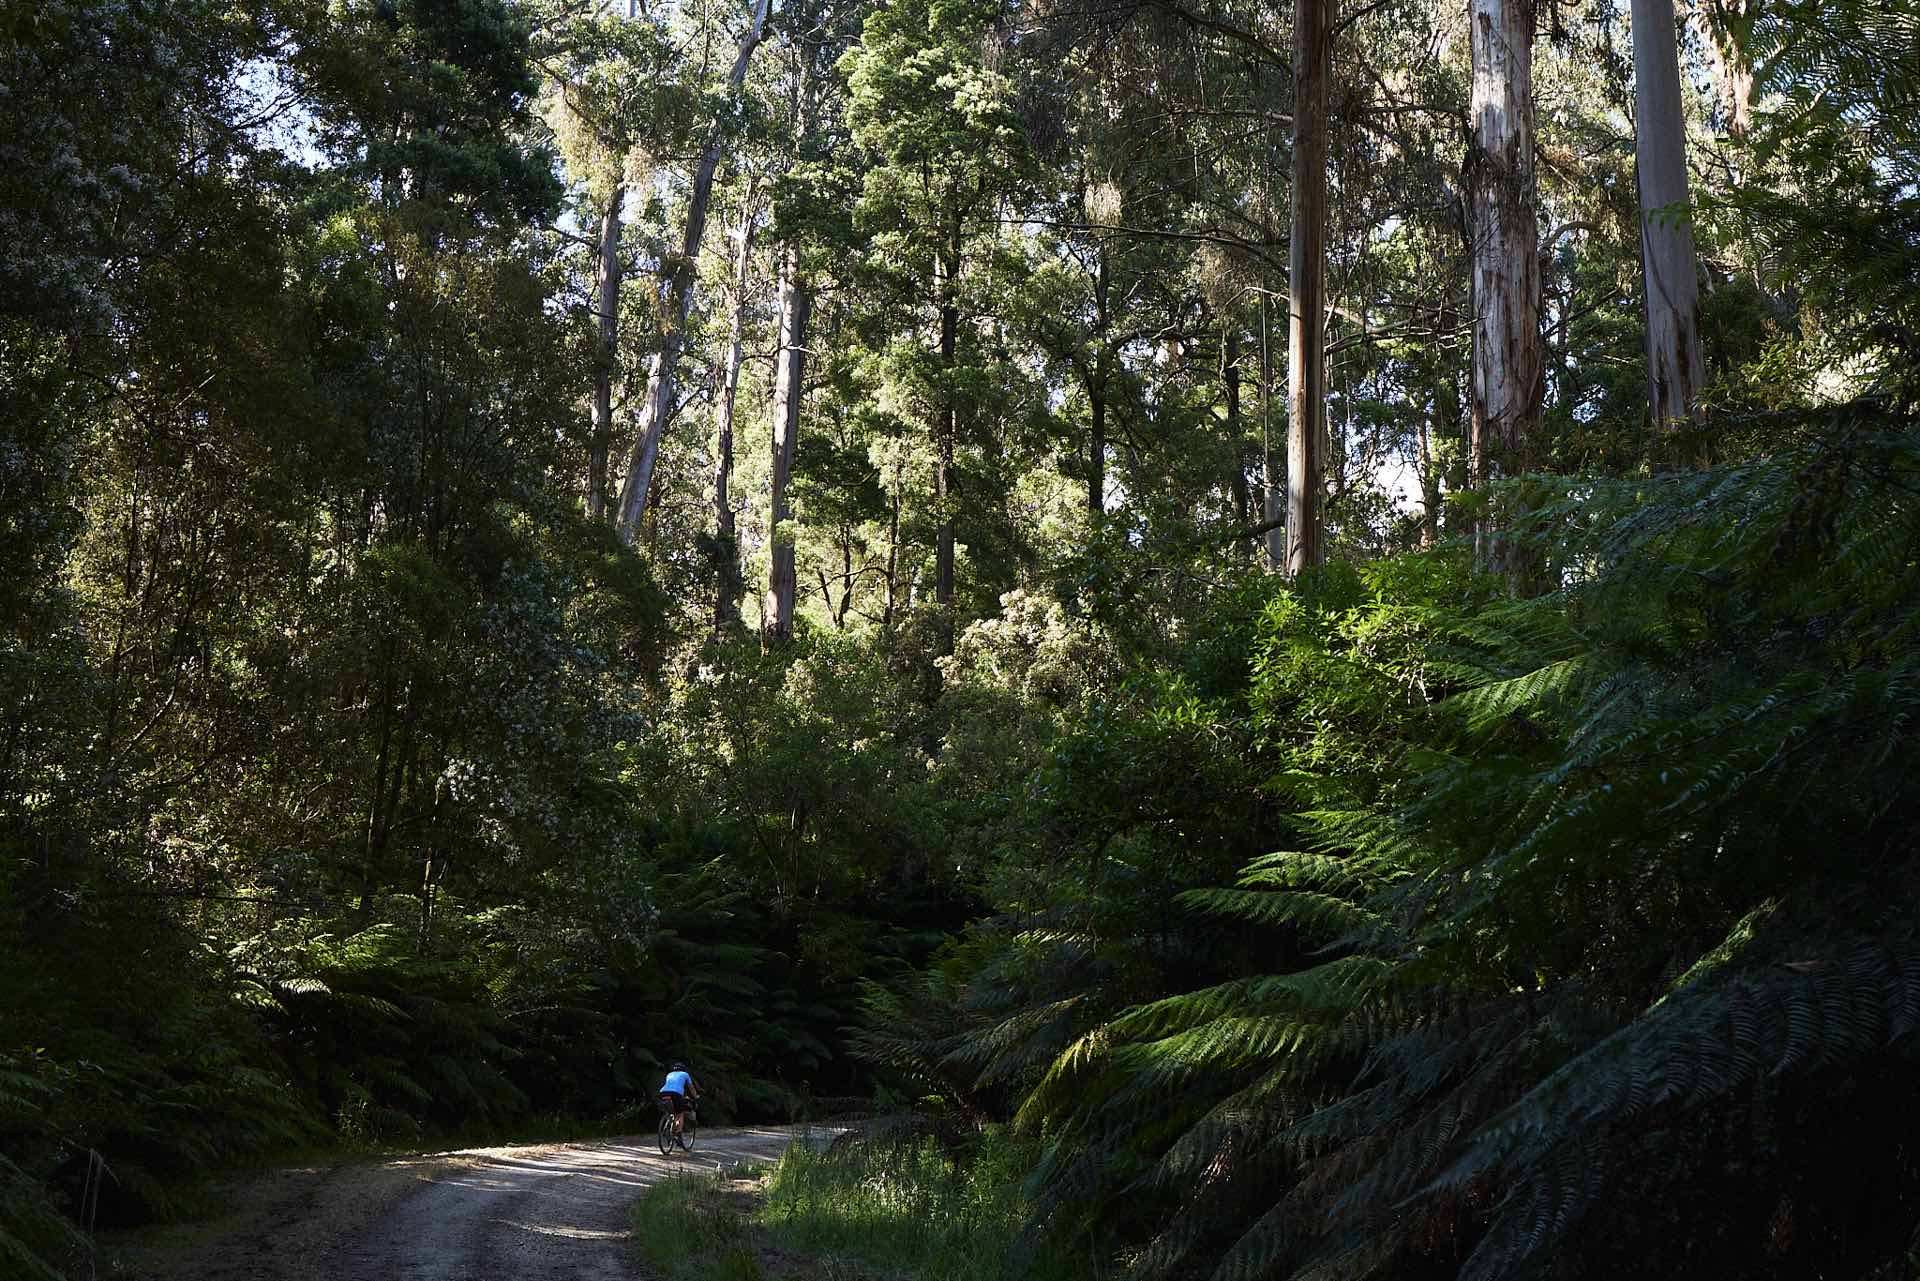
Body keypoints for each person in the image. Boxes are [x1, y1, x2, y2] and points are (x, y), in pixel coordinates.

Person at [657, 1062, 700, 1142]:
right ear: (683, 1069)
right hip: (676, 1094)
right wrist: (695, 1096)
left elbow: (672, 1085)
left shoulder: (669, 1074)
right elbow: (691, 1088)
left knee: (672, 1113)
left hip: (663, 1093)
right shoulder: (685, 1074)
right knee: (680, 1113)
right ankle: (678, 1134)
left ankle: (667, 1125)